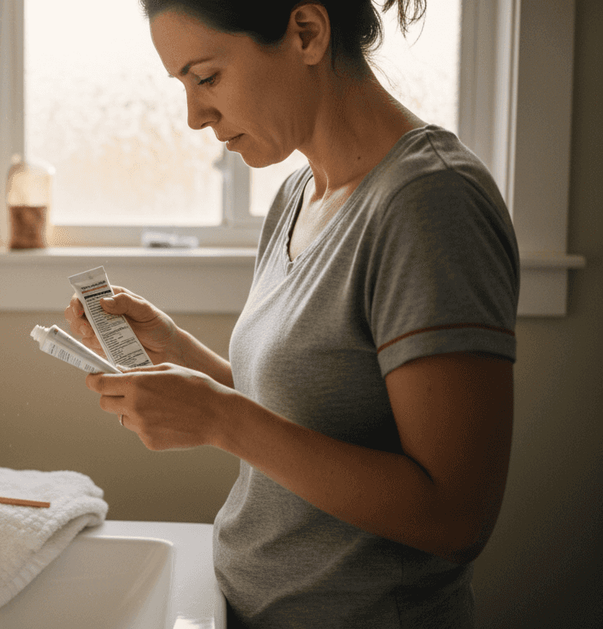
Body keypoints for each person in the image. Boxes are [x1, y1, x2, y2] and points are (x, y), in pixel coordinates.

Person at [64, 1, 519, 626]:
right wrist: (177, 351)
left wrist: (221, 419)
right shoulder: (299, 193)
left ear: (306, 33)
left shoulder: (432, 203)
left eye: (206, 78)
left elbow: (454, 518)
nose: (195, 117)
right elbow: (318, 415)